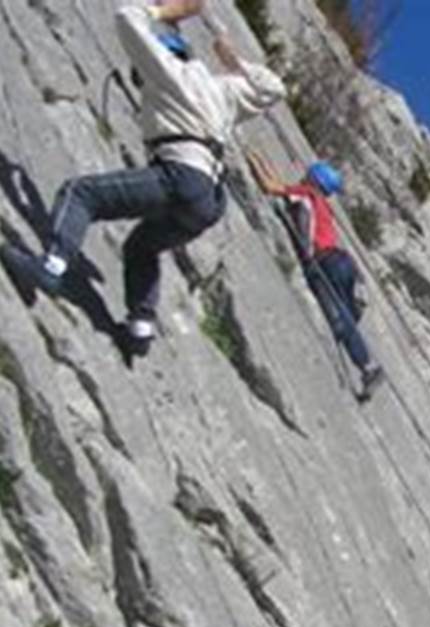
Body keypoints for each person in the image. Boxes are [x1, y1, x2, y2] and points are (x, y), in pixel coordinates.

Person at [0, 1, 285, 356]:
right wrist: (231, 55)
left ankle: (50, 266)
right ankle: (140, 329)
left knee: (81, 194)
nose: (139, 77)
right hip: (209, 202)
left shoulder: (167, 71)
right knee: (142, 247)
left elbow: (126, 18)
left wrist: (165, 12)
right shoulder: (223, 91)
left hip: (181, 176)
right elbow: (273, 88)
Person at [245, 150, 383, 401]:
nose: (302, 176)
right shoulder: (319, 202)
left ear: (313, 179)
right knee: (345, 314)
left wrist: (251, 158)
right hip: (341, 262)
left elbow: (270, 186)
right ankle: (363, 352)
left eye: (307, 174)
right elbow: (281, 185)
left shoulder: (306, 194)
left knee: (339, 320)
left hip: (324, 263)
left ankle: (369, 367)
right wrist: (260, 157)